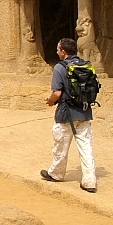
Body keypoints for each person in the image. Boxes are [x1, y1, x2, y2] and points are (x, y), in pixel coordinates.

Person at [41, 37, 97, 193]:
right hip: (85, 111)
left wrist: (50, 101)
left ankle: (56, 174)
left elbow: (57, 93)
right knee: (86, 147)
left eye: (58, 49)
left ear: (63, 51)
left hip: (66, 113)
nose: (56, 51)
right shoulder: (85, 65)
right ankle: (89, 181)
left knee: (61, 145)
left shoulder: (60, 68)